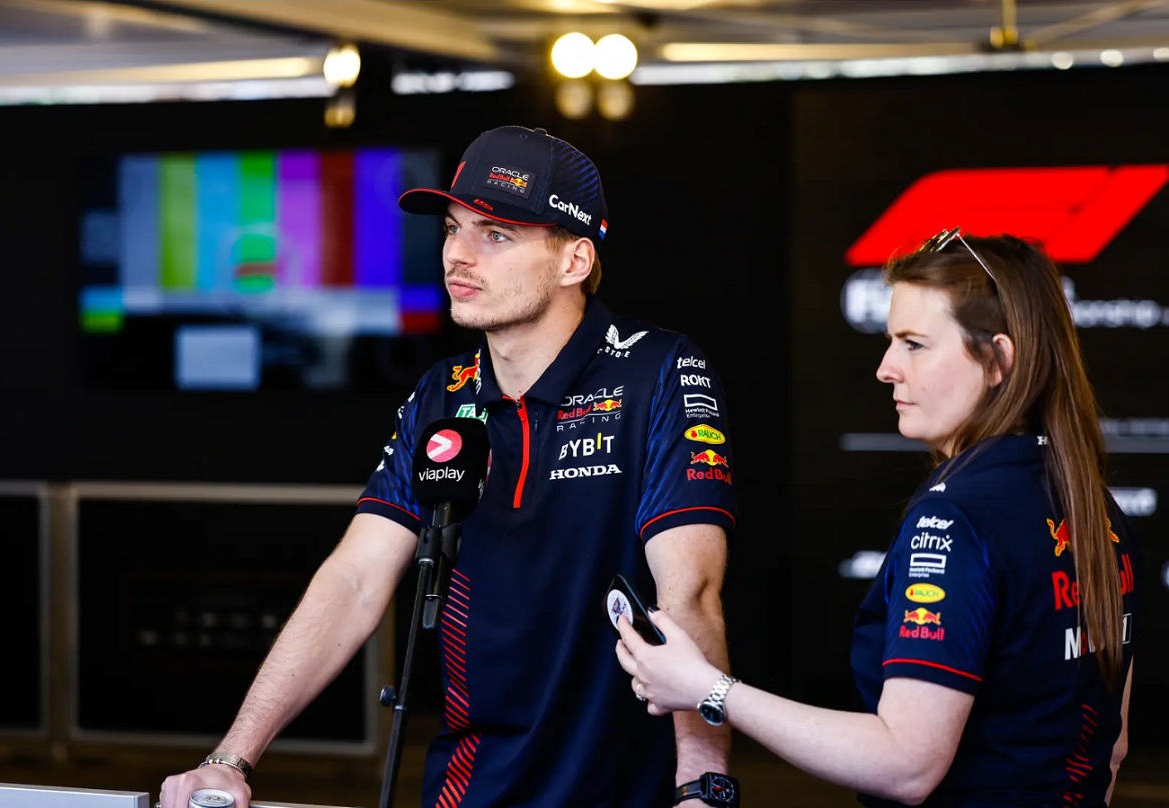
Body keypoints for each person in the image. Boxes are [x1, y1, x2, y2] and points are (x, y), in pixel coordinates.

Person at [159, 125, 740, 808]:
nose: (458, 256)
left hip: (623, 790)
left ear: (575, 260)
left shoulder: (659, 370)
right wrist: (232, 758)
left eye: (496, 235)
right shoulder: (443, 392)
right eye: (453, 229)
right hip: (469, 789)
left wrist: (701, 787)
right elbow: (353, 579)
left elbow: (691, 594)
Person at [615, 229, 1140, 806]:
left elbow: (906, 766)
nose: (886, 368)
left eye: (914, 344)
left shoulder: (954, 519)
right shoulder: (1095, 506)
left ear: (998, 361)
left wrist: (705, 687)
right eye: (891, 341)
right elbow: (1108, 752)